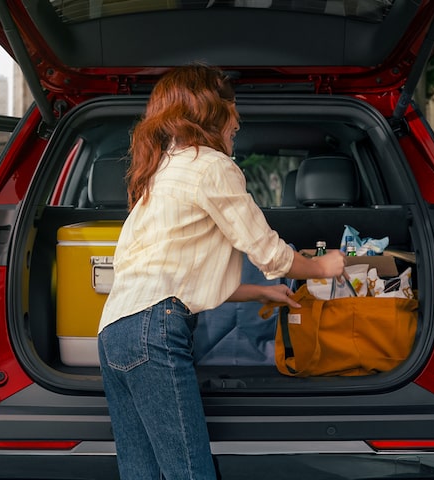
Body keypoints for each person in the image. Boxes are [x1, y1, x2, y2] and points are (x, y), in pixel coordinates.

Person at [96, 64, 346, 479]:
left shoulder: (161, 174)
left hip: (114, 335)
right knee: (189, 473)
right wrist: (322, 266)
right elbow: (268, 252)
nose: (238, 120)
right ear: (211, 111)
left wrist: (261, 293)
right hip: (154, 333)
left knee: (142, 474)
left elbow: (176, 277)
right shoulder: (211, 166)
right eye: (232, 108)